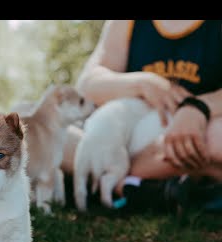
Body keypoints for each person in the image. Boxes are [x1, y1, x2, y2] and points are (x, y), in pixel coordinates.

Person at [61, 20, 222, 212]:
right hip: (123, 140)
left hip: (197, 132)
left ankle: (111, 183)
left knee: (217, 138)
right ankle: (139, 187)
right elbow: (88, 84)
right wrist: (141, 84)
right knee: (31, 122)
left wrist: (198, 108)